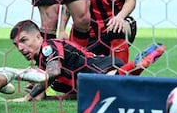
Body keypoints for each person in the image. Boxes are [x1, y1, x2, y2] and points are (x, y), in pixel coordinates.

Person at [9, 19, 165, 100]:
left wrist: (26, 92)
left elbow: (54, 71)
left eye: (23, 40)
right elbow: (45, 89)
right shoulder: (43, 63)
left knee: (111, 84)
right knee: (124, 93)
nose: (20, 48)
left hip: (97, 67)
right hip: (95, 76)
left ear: (38, 37)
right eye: (16, 45)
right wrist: (38, 89)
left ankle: (135, 65)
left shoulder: (48, 47)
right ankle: (135, 68)